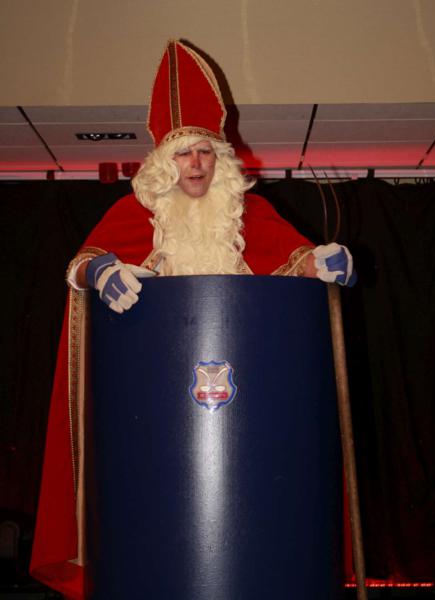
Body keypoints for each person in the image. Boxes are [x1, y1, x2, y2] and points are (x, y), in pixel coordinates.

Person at [30, 39, 356, 599]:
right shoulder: (133, 212)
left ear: (220, 158)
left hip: (251, 421)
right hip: (148, 417)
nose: (197, 164)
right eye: (184, 154)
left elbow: (295, 258)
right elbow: (82, 264)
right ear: (164, 162)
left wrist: (322, 261)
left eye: (205, 151)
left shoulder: (250, 212)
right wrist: (99, 272)